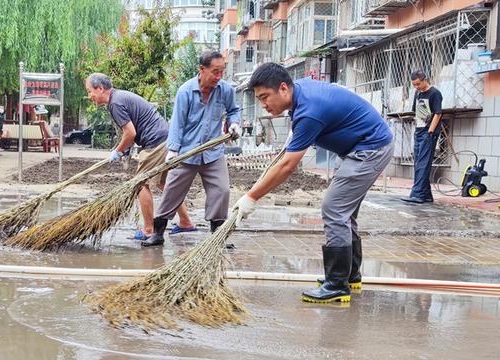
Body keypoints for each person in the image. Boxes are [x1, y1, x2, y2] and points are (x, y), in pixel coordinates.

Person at [233, 62, 393, 303]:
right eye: (259, 99)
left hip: (370, 149)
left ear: (284, 89)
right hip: (366, 146)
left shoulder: (309, 112)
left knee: (334, 209)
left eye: (265, 97)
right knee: (344, 213)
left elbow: (287, 166)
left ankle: (337, 286)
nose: (263, 104)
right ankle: (349, 277)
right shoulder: (301, 95)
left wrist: (251, 197)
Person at [142, 51, 242, 247]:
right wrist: (173, 150)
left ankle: (217, 236)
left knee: (221, 191)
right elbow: (177, 123)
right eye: (215, 72)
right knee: (172, 190)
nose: (219, 77)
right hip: (187, 153)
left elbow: (234, 110)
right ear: (202, 70)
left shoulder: (226, 90)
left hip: (213, 152)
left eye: (222, 72)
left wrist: (234, 123)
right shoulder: (185, 91)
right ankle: (158, 232)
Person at [84, 73, 195, 240]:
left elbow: (130, 133)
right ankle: (186, 222)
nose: (89, 96)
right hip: (165, 139)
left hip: (155, 143)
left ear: (100, 89)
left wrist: (118, 150)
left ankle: (149, 229)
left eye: (89, 91)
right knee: (164, 184)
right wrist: (124, 149)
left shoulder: (115, 103)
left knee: (140, 184)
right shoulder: (119, 97)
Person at [401, 70, 443, 204]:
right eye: (414, 85)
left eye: (418, 84)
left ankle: (417, 194)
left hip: (428, 132)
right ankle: (426, 195)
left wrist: (430, 132)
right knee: (418, 163)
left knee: (423, 164)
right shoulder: (417, 93)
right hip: (419, 130)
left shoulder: (435, 93)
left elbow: (438, 114)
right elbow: (417, 111)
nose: (416, 87)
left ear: (425, 79)